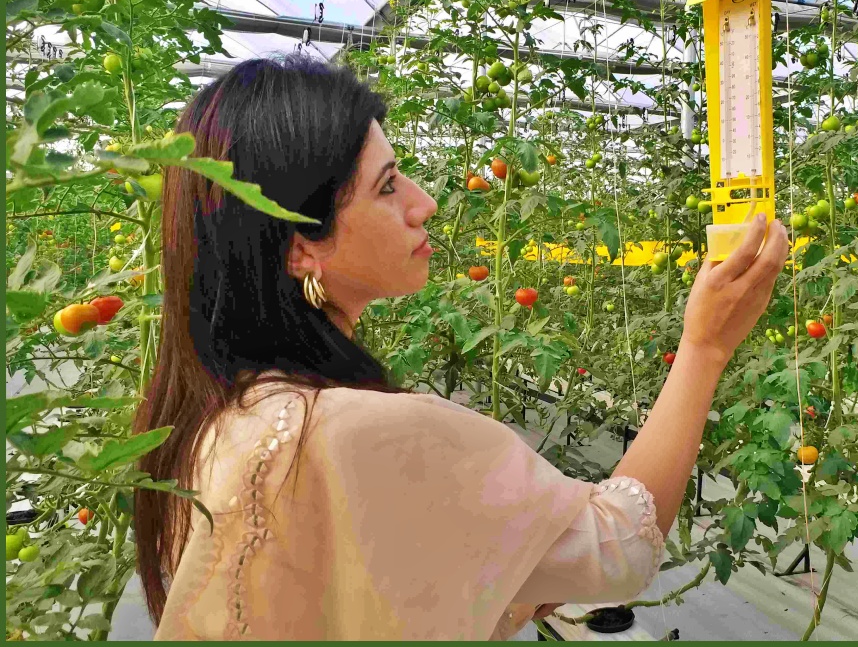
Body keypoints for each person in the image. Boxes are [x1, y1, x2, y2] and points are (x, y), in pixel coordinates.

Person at [132, 53, 789, 640]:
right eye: (388, 186)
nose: (428, 203)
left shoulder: (216, 418)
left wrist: (503, 567)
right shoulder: (365, 434)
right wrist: (704, 345)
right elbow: (623, 547)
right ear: (303, 243)